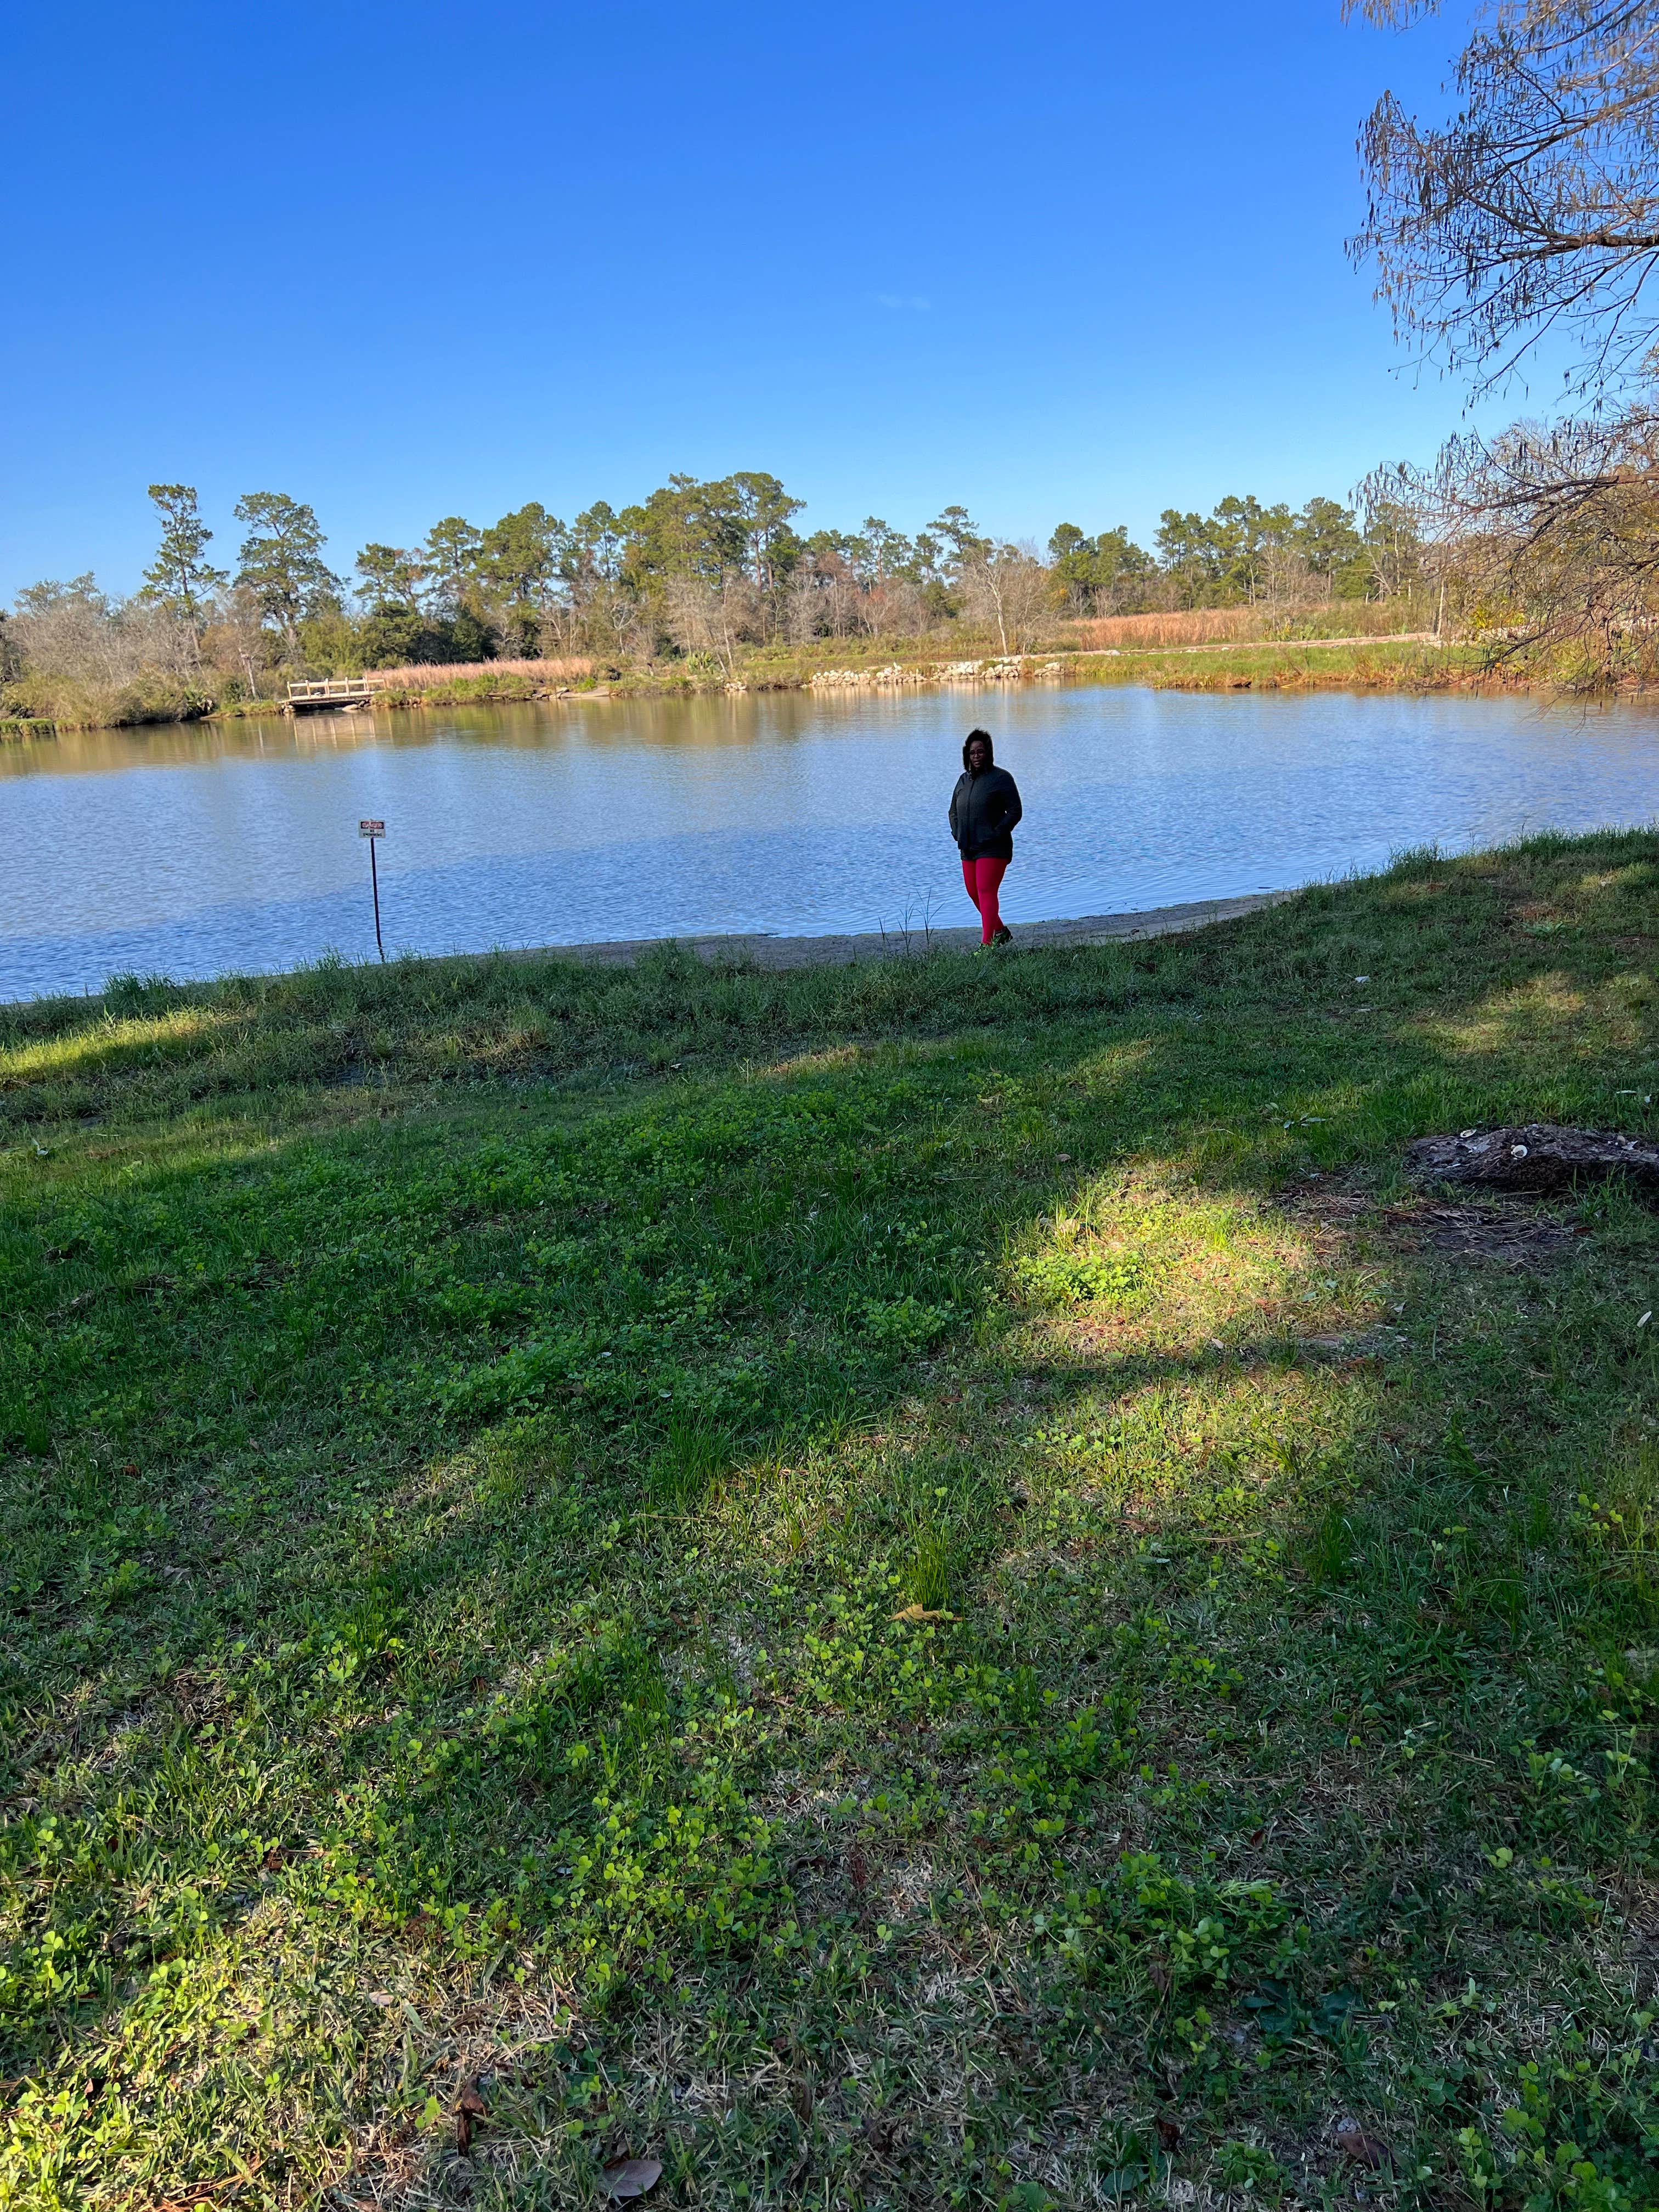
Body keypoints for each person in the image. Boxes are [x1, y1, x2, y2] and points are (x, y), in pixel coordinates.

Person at [949, 726, 1023, 947]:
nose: (976, 756)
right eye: (972, 752)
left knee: (986, 891)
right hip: (968, 847)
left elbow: (1015, 811)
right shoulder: (963, 781)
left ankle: (987, 945)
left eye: (980, 751)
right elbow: (953, 811)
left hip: (994, 848)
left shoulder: (1001, 778)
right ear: (967, 755)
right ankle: (1000, 931)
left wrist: (995, 833)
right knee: (974, 893)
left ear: (988, 752)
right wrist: (957, 832)